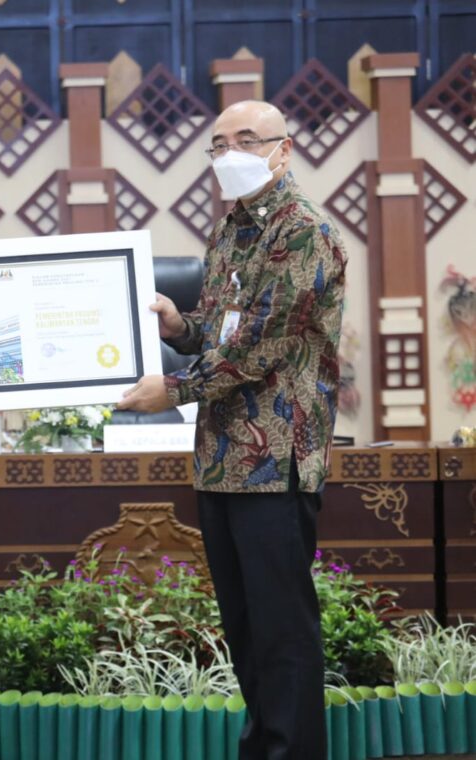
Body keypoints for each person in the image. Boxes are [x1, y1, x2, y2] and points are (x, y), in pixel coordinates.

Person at [118, 100, 346, 759]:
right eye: (219, 144)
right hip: (222, 459)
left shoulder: (303, 231)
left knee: (282, 631)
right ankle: (265, 747)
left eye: (247, 139)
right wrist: (179, 328)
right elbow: (225, 337)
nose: (231, 154)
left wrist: (174, 388)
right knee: (246, 628)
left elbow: (265, 349)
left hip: (275, 459)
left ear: (285, 148)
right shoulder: (232, 231)